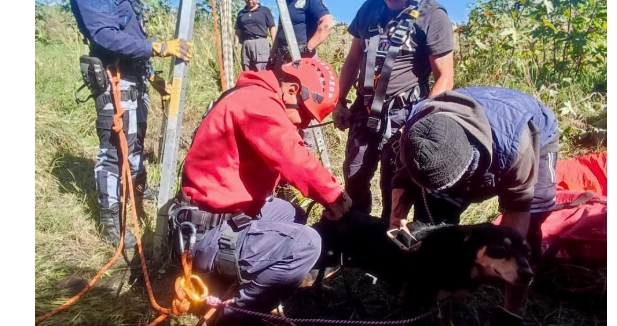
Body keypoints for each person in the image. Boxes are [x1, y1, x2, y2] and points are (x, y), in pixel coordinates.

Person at [173, 58, 352, 325]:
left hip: (221, 214)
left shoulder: (256, 97)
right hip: (204, 234)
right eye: (304, 115)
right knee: (306, 244)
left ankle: (235, 283)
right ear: (291, 90)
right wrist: (333, 196)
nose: (302, 124)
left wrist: (324, 188)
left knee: (292, 214)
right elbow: (290, 156)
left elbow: (287, 158)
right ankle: (237, 315)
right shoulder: (258, 104)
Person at [389, 86, 560, 326]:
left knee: (529, 233)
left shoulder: (517, 147)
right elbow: (403, 175)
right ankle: (440, 301)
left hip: (527, 134)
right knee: (436, 229)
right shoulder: (418, 133)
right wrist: (398, 215)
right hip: (463, 137)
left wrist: (498, 265)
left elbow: (517, 210)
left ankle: (509, 313)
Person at [70, 0, 193, 249]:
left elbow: (132, 37)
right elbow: (105, 36)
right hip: (114, 78)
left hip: (136, 78)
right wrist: (156, 47)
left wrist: (152, 76)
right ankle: (111, 222)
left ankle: (137, 188)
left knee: (135, 141)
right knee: (115, 150)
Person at [331, 0, 456, 220]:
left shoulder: (432, 14)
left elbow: (444, 77)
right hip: (365, 110)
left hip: (404, 115)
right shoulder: (369, 9)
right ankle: (356, 232)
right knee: (354, 178)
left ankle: (389, 236)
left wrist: (420, 123)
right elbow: (353, 59)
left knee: (394, 187)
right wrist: (339, 101)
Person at [268, 0, 335, 73]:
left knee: (303, 83)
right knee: (279, 84)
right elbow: (281, 29)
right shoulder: (284, 3)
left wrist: (308, 48)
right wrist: (272, 54)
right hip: (281, 56)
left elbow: (327, 22)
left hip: (301, 56)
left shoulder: (310, 1)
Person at [236, 0, 277, 71]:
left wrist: (274, 47)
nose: (249, 1)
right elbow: (238, 31)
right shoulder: (241, 13)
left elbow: (272, 28)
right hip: (246, 45)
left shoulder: (265, 10)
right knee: (247, 71)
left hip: (260, 44)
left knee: (262, 72)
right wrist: (235, 46)